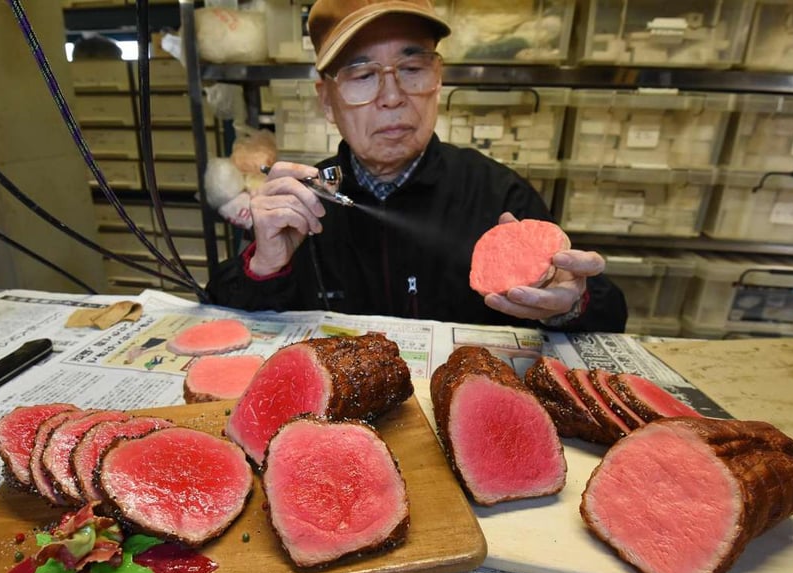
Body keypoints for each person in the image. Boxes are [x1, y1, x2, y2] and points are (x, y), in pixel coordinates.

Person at [207, 0, 627, 333]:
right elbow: (218, 313)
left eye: (411, 69)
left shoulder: (498, 193)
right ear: (326, 101)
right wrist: (265, 265)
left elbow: (608, 311)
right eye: (363, 75)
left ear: (438, 79)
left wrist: (570, 302)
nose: (392, 97)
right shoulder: (298, 201)